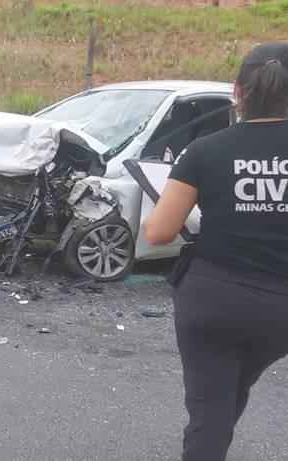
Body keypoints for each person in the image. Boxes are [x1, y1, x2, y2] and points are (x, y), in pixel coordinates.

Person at [144, 42, 288, 461]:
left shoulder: (206, 150)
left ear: (237, 91)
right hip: (281, 308)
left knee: (211, 406)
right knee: (232, 388)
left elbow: (158, 232)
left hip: (215, 296)